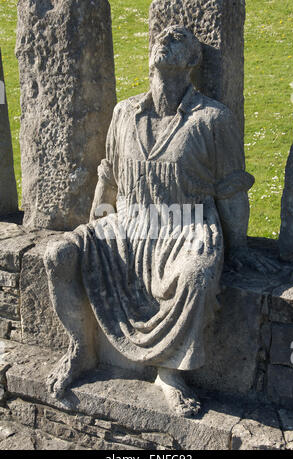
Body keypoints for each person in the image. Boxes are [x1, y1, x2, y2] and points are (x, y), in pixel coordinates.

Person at [44, 26, 278, 417]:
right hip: (127, 225)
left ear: (192, 60)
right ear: (150, 55)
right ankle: (81, 348)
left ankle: (170, 373)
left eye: (180, 37)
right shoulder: (124, 113)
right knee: (59, 254)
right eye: (162, 36)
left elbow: (232, 191)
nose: (167, 37)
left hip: (186, 227)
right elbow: (109, 181)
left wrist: (238, 250)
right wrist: (92, 237)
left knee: (198, 274)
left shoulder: (212, 120)